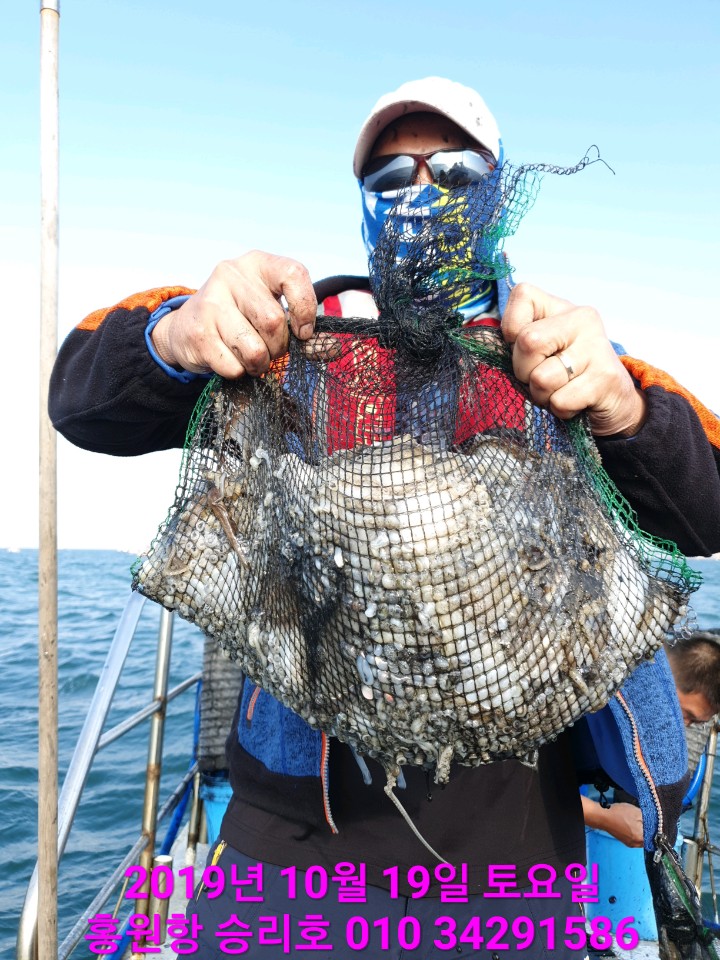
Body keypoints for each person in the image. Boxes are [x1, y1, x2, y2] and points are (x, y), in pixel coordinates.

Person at [49, 77, 720, 959]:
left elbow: (705, 512)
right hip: (292, 845)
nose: (420, 194)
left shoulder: (564, 356)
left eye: (453, 170)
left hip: (514, 857)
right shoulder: (297, 345)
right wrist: (176, 336)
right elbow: (79, 401)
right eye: (392, 178)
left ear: (496, 189)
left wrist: (627, 413)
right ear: (364, 201)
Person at [582, 632, 720, 849]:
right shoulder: (588, 688)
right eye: (685, 714)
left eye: (694, 723)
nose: (682, 725)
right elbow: (529, 783)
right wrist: (602, 817)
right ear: (665, 679)